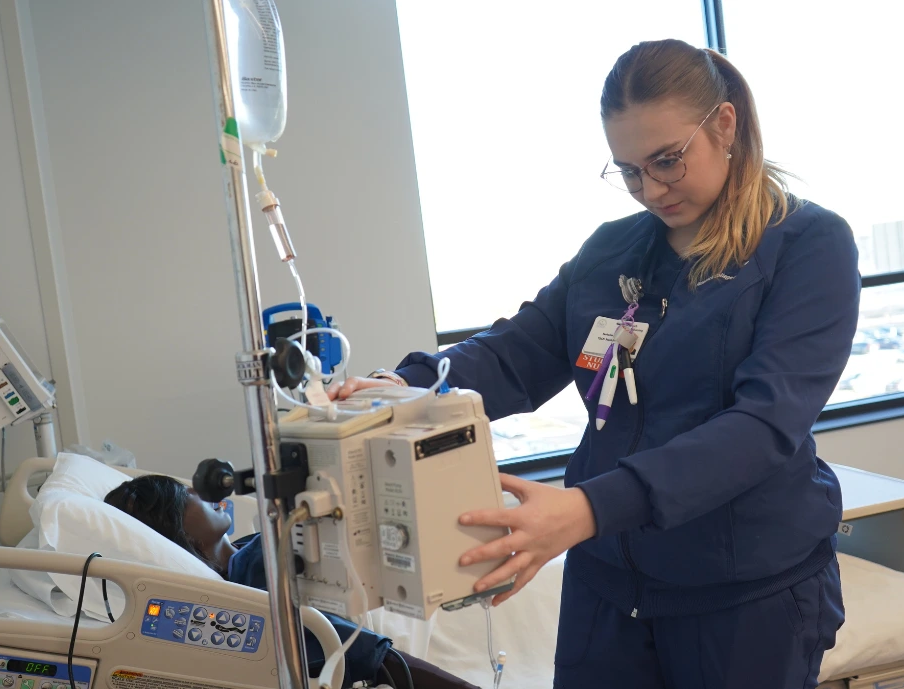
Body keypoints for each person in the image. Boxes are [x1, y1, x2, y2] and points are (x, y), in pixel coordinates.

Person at [329, 39, 861, 689]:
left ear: (724, 125)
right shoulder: (615, 252)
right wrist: (409, 384)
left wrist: (586, 507)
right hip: (608, 587)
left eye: (667, 160)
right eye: (630, 170)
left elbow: (762, 427)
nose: (651, 188)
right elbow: (515, 353)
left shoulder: (807, 246)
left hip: (742, 594)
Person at [104, 474, 480, 689]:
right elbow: (373, 656)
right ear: (178, 529)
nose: (200, 493)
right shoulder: (250, 583)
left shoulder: (250, 549)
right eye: (187, 495)